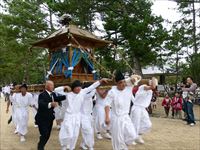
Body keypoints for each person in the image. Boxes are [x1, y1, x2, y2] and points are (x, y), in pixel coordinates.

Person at [57, 78, 108, 150]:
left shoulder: (82, 92)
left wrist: (100, 81)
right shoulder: (68, 93)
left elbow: (92, 87)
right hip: (69, 116)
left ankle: (71, 148)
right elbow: (56, 90)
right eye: (77, 87)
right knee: (69, 133)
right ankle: (64, 146)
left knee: (75, 135)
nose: (78, 89)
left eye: (79, 87)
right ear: (73, 88)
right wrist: (64, 87)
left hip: (77, 116)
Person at [105, 71, 140, 150]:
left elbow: (138, 77)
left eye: (124, 82)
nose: (123, 84)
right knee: (117, 140)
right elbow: (107, 105)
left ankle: (123, 147)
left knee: (132, 135)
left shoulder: (128, 87)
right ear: (117, 83)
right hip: (116, 118)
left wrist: (128, 80)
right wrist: (107, 116)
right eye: (120, 82)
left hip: (126, 117)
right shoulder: (113, 92)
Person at [35, 80, 66, 150]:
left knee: (47, 135)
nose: (53, 86)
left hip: (50, 118)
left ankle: (41, 145)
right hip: (42, 119)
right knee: (45, 134)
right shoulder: (42, 95)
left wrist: (67, 96)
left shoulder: (53, 94)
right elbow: (41, 104)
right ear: (47, 86)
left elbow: (58, 98)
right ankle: (40, 147)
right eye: (52, 85)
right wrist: (50, 104)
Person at [130, 77, 157, 145]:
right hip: (137, 108)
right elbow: (153, 86)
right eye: (150, 81)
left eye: (151, 81)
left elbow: (153, 87)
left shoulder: (149, 90)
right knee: (135, 124)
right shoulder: (143, 86)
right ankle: (131, 138)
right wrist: (154, 78)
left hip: (142, 108)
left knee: (147, 124)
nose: (151, 81)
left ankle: (138, 135)